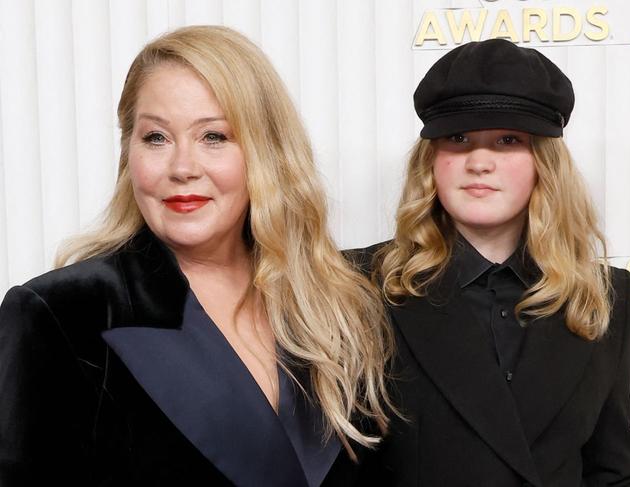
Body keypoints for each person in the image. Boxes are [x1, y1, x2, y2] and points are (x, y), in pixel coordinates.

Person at [0, 25, 394, 486]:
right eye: (156, 138)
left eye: (213, 137)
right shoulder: (61, 314)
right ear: (129, 154)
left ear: (266, 152)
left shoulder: (341, 307)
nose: (183, 167)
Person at [356, 39, 630, 486]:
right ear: (431, 161)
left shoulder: (606, 294)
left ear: (543, 163)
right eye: (458, 138)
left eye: (508, 139)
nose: (479, 162)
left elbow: (612, 471)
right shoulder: (362, 285)